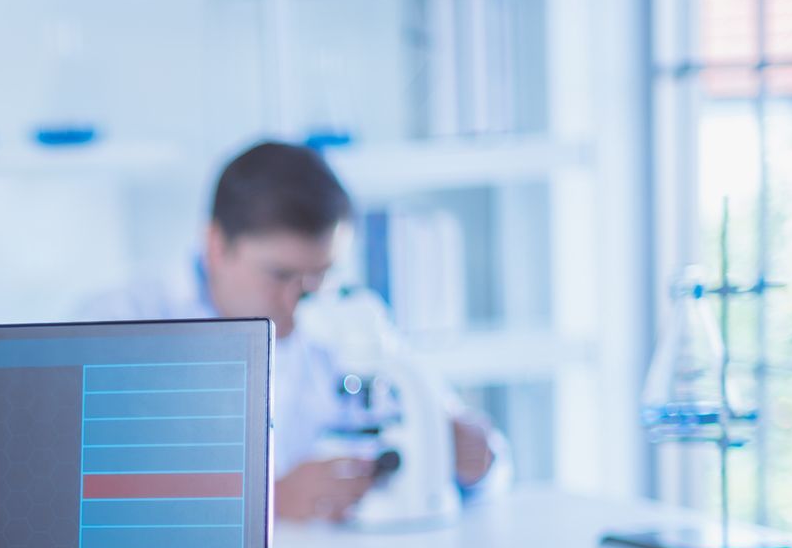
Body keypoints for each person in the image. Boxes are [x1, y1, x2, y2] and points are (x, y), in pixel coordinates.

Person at [84, 141, 505, 522]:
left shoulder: (349, 318)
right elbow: (88, 500)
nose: (301, 299)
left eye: (319, 275)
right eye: (280, 275)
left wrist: (474, 460)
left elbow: (490, 461)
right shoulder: (119, 323)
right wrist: (266, 502)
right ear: (216, 246)